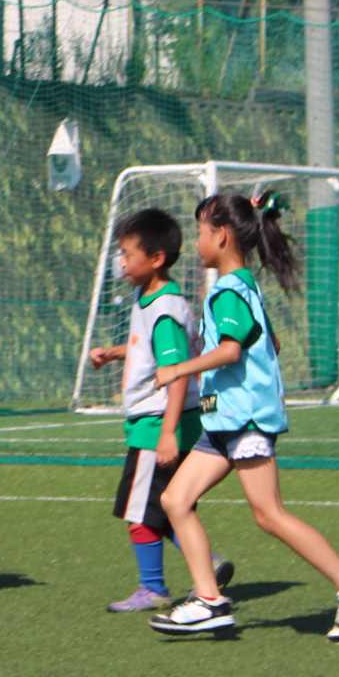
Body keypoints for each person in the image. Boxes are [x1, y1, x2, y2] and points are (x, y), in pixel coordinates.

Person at [147, 191, 339, 642]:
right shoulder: (243, 288)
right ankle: (209, 601)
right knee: (175, 500)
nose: (196, 241)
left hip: (245, 421)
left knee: (269, 515)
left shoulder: (228, 291)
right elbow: (268, 343)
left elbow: (231, 350)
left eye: (200, 231)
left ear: (221, 236)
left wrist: (180, 368)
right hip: (223, 421)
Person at [86, 208, 233, 612]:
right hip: (165, 420)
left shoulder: (164, 308)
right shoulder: (149, 297)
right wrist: (115, 353)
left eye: (127, 254)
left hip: (158, 423)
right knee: (167, 506)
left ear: (156, 259)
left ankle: (153, 588)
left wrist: (167, 432)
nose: (121, 262)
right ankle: (208, 564)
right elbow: (151, 350)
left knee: (140, 512)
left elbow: (178, 371)